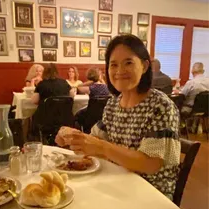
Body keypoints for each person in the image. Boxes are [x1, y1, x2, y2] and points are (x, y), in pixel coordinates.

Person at [56, 35, 180, 200]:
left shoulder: (161, 106)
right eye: (113, 64)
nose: (120, 71)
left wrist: (101, 147)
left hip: (151, 194)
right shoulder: (113, 104)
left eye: (128, 63)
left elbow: (150, 164)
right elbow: (93, 141)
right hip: (116, 183)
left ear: (144, 66)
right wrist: (73, 138)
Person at [31, 63, 74, 135]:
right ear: (56, 72)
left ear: (44, 72)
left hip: (45, 118)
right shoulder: (64, 82)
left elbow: (34, 101)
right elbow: (72, 96)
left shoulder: (42, 84)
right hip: (64, 117)